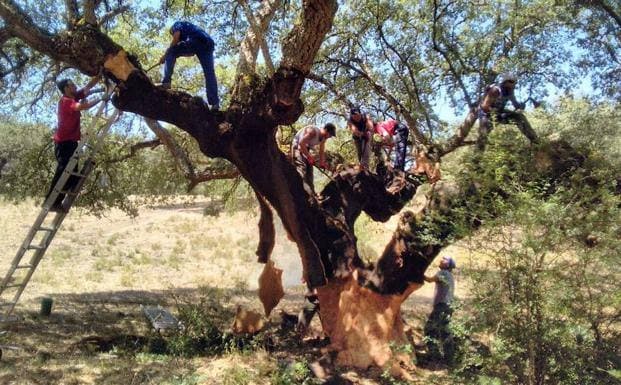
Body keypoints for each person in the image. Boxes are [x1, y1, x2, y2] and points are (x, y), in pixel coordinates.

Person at [44, 76, 104, 213]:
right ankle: (51, 201)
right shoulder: (65, 101)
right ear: (66, 88)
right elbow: (83, 106)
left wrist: (100, 74)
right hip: (63, 143)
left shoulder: (73, 97)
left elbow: (88, 87)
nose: (75, 86)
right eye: (72, 84)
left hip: (71, 143)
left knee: (72, 174)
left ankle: (56, 202)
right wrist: (101, 98)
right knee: (63, 172)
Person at [158, 21, 219, 110]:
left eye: (172, 33)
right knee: (209, 73)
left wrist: (165, 56)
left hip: (196, 40)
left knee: (171, 51)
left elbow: (176, 38)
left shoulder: (176, 25)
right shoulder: (190, 30)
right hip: (208, 43)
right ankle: (215, 104)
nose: (173, 34)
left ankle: (166, 82)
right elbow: (190, 53)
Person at [478, 72, 537, 150]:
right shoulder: (495, 90)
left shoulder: (510, 91)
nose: (514, 84)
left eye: (515, 82)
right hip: (486, 115)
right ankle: (476, 158)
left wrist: (521, 105)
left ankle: (536, 142)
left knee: (519, 117)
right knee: (483, 135)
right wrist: (497, 114)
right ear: (505, 82)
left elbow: (516, 105)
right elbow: (485, 107)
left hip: (499, 112)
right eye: (512, 82)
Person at [423, 256, 456, 363]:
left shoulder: (443, 273)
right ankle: (449, 358)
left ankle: (434, 356)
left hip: (441, 306)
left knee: (429, 329)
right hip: (448, 306)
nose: (441, 260)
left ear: (448, 265)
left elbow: (429, 280)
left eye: (445, 260)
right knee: (445, 331)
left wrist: (417, 273)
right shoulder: (450, 275)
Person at [291, 123, 336, 192]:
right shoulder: (313, 131)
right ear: (326, 130)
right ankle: (301, 192)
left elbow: (321, 151)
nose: (329, 137)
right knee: (302, 169)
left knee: (310, 172)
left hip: (306, 149)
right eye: (330, 134)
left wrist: (322, 163)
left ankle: (311, 194)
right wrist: (309, 157)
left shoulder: (323, 138)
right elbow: (301, 143)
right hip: (297, 147)